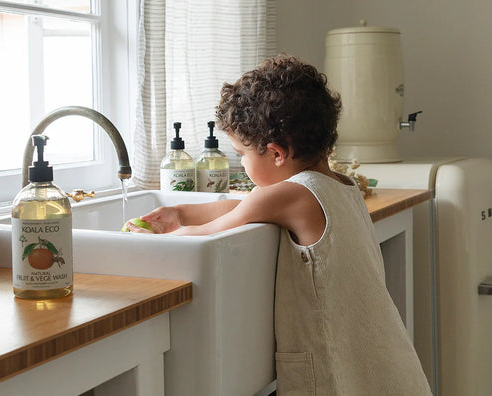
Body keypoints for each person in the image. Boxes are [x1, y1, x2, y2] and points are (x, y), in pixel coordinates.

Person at [126, 54, 432, 395]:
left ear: (276, 153)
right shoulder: (341, 186)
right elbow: (242, 207)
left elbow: (211, 230)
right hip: (382, 361)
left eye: (241, 153)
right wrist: (181, 212)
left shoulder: (292, 195)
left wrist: (154, 236)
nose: (241, 164)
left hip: (335, 370)